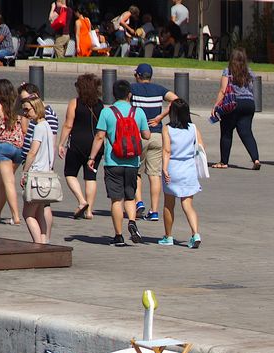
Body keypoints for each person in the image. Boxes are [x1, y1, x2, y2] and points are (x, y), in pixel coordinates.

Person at [87, 79, 152, 247]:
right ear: (129, 94)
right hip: (132, 161)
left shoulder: (107, 113)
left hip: (113, 161)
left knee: (116, 200)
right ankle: (131, 221)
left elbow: (100, 136)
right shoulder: (138, 112)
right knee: (130, 196)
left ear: (114, 94)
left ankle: (118, 236)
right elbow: (147, 135)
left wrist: (92, 157)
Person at [131, 63, 178, 223]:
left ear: (138, 76)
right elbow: (177, 100)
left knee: (136, 171)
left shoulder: (133, 89)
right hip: (157, 134)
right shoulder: (159, 89)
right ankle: (154, 210)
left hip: (139, 135)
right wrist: (161, 116)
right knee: (154, 174)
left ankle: (138, 202)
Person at [58, 73, 104, 220]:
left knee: (70, 173)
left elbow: (68, 124)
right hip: (95, 145)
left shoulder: (75, 103)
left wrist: (61, 143)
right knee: (91, 177)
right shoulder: (100, 104)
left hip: (78, 143)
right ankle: (89, 211)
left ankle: (81, 200)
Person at [160, 98, 203, 249]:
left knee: (169, 204)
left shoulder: (167, 129)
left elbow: (166, 150)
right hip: (189, 169)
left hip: (173, 167)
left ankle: (168, 236)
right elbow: (200, 147)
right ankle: (195, 233)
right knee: (188, 205)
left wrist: (164, 168)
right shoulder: (193, 128)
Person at [211, 48, 261, 170]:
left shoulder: (228, 71)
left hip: (233, 103)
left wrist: (216, 106)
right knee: (246, 132)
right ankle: (256, 159)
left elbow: (223, 90)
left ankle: (224, 162)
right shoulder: (249, 72)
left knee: (226, 132)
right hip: (249, 103)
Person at [18, 96, 56, 245]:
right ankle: (44, 241)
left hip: (36, 175)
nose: (26, 113)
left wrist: (25, 172)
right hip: (46, 174)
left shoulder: (39, 127)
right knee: (39, 211)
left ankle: (38, 243)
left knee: (27, 213)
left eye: (27, 109)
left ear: (36, 107)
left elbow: (32, 152)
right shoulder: (46, 125)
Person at [0, 79, 26, 226]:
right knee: (3, 181)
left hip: (2, 148)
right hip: (19, 148)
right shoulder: (18, 107)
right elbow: (24, 128)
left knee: (8, 182)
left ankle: (15, 216)